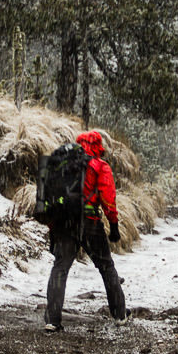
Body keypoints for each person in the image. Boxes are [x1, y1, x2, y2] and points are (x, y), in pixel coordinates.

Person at [44, 130, 127, 331]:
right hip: (90, 222)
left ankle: (52, 320)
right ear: (98, 145)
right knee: (106, 267)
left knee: (60, 268)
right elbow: (108, 199)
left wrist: (53, 226)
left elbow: (50, 196)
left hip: (64, 223)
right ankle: (120, 314)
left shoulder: (63, 165)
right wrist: (114, 225)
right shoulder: (99, 166)